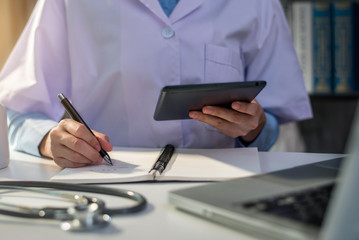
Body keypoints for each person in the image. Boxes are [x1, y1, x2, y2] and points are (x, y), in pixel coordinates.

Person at [0, 0, 312, 168]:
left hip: (222, 191)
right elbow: (17, 114)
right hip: (105, 189)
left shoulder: (256, 4)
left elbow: (276, 124)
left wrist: (254, 127)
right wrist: (49, 141)